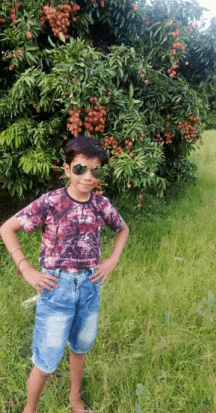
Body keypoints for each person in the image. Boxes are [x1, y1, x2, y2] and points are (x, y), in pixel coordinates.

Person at [0, 136, 129, 413]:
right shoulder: (50, 202)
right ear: (68, 169)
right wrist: (27, 270)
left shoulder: (100, 204)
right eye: (81, 168)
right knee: (46, 359)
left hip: (89, 286)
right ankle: (29, 409)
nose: (88, 177)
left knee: (80, 347)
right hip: (55, 287)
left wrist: (112, 260)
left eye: (95, 170)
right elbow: (7, 228)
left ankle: (74, 399)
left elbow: (122, 229)